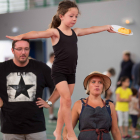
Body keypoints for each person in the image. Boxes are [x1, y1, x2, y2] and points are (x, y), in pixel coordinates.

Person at [6, 1, 116, 140]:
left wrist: (107, 27)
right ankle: (70, 133)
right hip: (59, 71)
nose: (74, 19)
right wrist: (21, 36)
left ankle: (58, 131)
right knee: (67, 100)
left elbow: (91, 28)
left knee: (64, 103)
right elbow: (37, 33)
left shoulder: (75, 32)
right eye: (71, 16)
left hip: (71, 72)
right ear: (61, 16)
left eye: (76, 16)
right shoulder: (55, 32)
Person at [0, 39, 60, 140]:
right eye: (19, 49)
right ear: (12, 50)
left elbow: (59, 87)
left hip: (36, 127)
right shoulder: (2, 68)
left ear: (29, 50)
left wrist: (49, 102)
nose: (23, 52)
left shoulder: (41, 68)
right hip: (10, 127)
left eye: (26, 49)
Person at [63, 71, 121, 140]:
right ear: (88, 86)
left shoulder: (110, 105)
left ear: (103, 86)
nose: (97, 85)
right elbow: (67, 130)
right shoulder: (79, 104)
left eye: (100, 82)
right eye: (93, 82)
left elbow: (115, 131)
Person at [46, 52, 57, 122]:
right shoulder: (48, 65)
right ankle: (51, 116)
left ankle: (52, 115)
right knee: (51, 100)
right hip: (51, 84)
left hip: (54, 84)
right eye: (54, 57)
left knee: (53, 100)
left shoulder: (53, 65)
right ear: (51, 57)